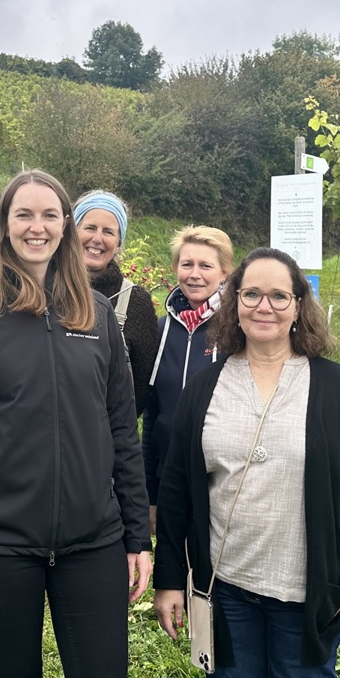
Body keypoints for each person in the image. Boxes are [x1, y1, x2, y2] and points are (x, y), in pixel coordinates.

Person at [0, 170, 152, 678]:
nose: (37, 226)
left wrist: (137, 536)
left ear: (65, 227)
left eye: (50, 215)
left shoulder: (95, 316)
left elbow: (122, 432)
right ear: (5, 226)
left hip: (93, 542)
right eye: (23, 214)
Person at [152, 247, 340, 676]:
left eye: (279, 296)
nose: (265, 307)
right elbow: (176, 491)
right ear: (233, 302)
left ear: (298, 306)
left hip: (306, 594)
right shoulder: (206, 388)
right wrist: (169, 578)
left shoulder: (336, 390)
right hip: (226, 590)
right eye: (251, 294)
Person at [143, 225, 234, 532]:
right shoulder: (160, 330)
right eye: (187, 264)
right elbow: (152, 419)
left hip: (223, 485)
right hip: (170, 480)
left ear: (224, 273)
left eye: (206, 266)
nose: (195, 274)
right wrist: (151, 496)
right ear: (175, 269)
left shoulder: (238, 330)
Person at [72, 189, 157, 416]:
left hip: (105, 439)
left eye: (108, 232)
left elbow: (141, 388)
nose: (97, 239)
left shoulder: (135, 303)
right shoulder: (44, 290)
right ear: (72, 232)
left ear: (118, 244)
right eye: (89, 227)